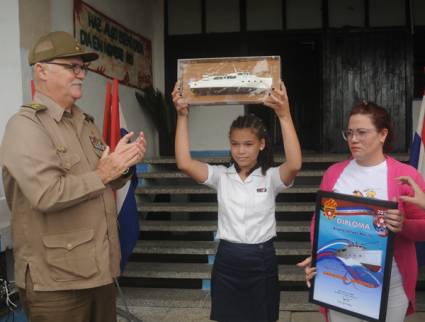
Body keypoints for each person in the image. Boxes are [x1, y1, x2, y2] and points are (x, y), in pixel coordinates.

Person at [0, 31, 147, 322]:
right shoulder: (25, 126)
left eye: (82, 67)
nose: (81, 74)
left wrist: (122, 165)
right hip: (57, 283)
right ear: (41, 70)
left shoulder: (84, 122)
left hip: (98, 270)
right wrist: (103, 173)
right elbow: (47, 193)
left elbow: (104, 179)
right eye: (72, 67)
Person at [172, 81, 302, 322]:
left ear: (261, 145)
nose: (240, 151)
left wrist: (284, 115)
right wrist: (182, 116)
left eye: (248, 144)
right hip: (228, 258)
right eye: (235, 144)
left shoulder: (271, 177)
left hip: (261, 259)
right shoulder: (222, 176)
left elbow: (294, 164)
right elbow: (184, 163)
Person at [297, 101, 425, 322]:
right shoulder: (333, 173)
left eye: (362, 133)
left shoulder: (406, 175)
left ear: (382, 134)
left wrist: (403, 225)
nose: (353, 139)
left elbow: (422, 229)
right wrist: (318, 256)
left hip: (390, 282)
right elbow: (319, 220)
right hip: (340, 277)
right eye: (349, 133)